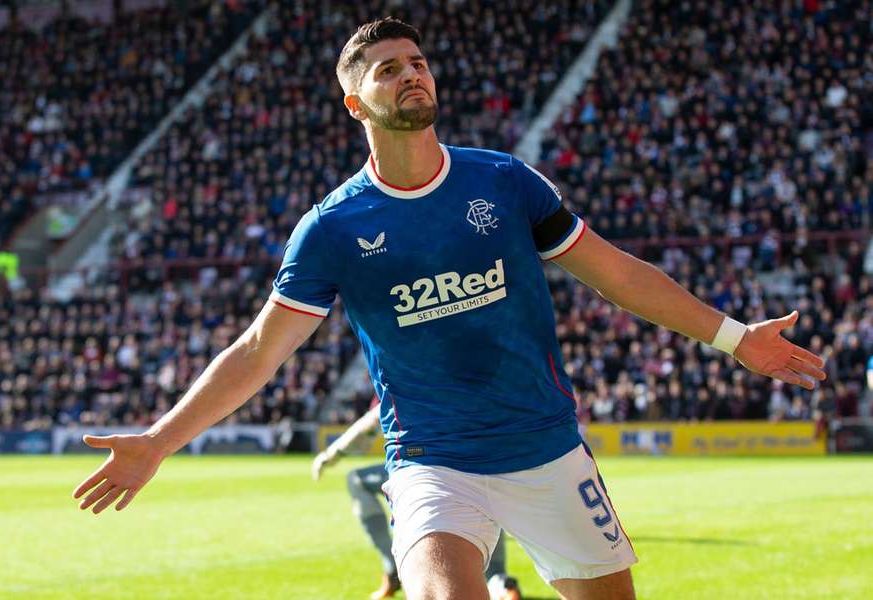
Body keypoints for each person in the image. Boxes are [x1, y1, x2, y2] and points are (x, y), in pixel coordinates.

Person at [73, 18, 827, 600]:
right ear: (353, 101)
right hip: (433, 463)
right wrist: (161, 440)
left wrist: (733, 338)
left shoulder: (503, 183)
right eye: (388, 69)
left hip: (548, 451)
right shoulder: (331, 229)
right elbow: (258, 351)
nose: (411, 75)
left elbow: (617, 275)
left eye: (419, 63)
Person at [312, 400, 521, 600]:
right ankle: (500, 581)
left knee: (358, 480)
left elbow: (374, 419)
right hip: (480, 461)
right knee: (479, 495)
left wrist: (332, 452)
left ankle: (392, 570)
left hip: (425, 464)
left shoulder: (399, 368)